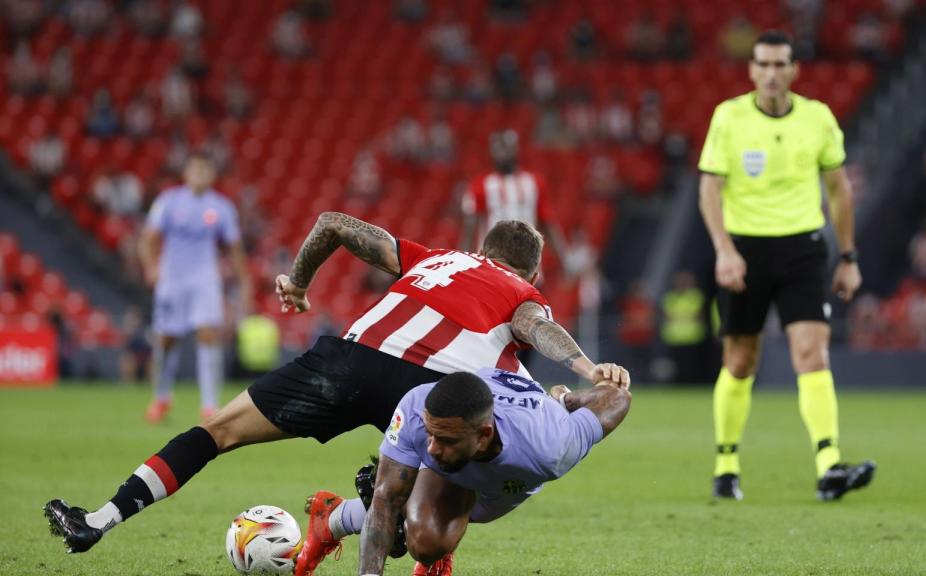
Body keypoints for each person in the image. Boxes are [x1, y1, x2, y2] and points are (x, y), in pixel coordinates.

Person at [44, 219, 621, 556]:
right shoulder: (520, 290)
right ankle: (379, 512)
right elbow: (533, 328)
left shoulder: (436, 257)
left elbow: (333, 223)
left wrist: (297, 282)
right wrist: (585, 368)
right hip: (424, 389)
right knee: (438, 502)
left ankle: (98, 520)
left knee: (217, 431)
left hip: (345, 361)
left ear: (482, 249)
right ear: (532, 273)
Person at [697, 30, 874, 501]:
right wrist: (724, 249)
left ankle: (829, 464)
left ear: (794, 70)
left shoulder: (817, 119)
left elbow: (838, 190)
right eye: (764, 65)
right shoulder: (729, 118)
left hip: (803, 248)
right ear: (752, 70)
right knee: (739, 360)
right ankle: (726, 465)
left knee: (812, 353)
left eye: (781, 65)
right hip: (745, 249)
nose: (772, 74)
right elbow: (710, 188)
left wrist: (849, 257)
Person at [295, 367, 631, 576]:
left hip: (523, 439)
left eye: (444, 439)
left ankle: (338, 513)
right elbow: (384, 498)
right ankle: (335, 521)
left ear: (483, 436)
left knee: (443, 519)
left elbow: (618, 398)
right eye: (429, 434)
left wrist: (570, 400)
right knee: (423, 539)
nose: (431, 448)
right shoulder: (417, 408)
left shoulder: (550, 447)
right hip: (467, 457)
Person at [137, 151, 251, 423]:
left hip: (204, 278)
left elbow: (234, 249)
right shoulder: (168, 201)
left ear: (212, 175)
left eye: (204, 169)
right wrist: (151, 267)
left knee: (208, 333)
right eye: (195, 169)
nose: (199, 174)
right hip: (172, 278)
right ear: (186, 172)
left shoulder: (222, 207)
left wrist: (244, 280)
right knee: (166, 339)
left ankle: (210, 406)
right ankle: (161, 396)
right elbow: (148, 239)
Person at [461, 130, 568, 270]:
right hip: (492, 264)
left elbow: (547, 222)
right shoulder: (480, 185)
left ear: (515, 148)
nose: (502, 153)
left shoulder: (534, 183)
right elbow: (469, 228)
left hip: (527, 263)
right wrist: (463, 261)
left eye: (505, 147)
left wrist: (564, 258)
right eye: (497, 148)